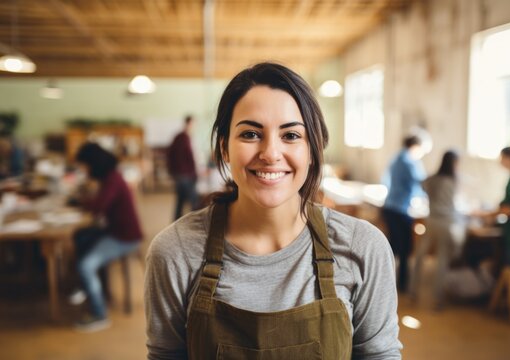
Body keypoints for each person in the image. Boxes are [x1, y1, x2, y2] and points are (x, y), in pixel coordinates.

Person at [144, 63, 402, 359]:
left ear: (313, 151)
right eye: (251, 134)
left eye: (291, 136)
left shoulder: (363, 247)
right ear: (225, 148)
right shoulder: (175, 251)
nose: (270, 154)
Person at [72, 142, 143, 332]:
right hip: (115, 230)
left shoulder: (112, 179)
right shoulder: (111, 176)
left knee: (85, 265)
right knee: (81, 237)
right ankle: (88, 287)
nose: (83, 169)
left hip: (125, 237)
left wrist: (79, 202)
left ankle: (99, 314)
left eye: (84, 166)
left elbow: (98, 208)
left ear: (92, 163)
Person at [410, 150, 466, 308]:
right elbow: (456, 203)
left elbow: (421, 186)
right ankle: (437, 298)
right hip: (446, 222)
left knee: (420, 256)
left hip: (431, 220)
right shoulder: (453, 181)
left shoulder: (432, 179)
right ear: (454, 163)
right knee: (442, 259)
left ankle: (413, 291)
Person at [382, 135, 426, 292]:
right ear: (415, 147)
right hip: (400, 209)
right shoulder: (410, 163)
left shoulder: (396, 159)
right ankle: (403, 284)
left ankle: (384, 279)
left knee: (392, 247)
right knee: (405, 249)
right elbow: (422, 183)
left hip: (389, 206)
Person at [167, 115, 198, 220]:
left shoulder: (184, 137)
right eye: (193, 123)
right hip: (184, 174)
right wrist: (194, 172)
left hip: (182, 174)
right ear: (188, 123)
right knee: (194, 200)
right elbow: (188, 156)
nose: (193, 126)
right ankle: (197, 223)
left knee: (180, 199)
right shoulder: (182, 137)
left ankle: (175, 221)